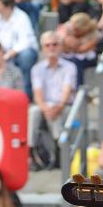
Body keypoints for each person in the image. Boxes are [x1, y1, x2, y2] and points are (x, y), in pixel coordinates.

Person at [28, 31, 78, 165]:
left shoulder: (70, 67)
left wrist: (57, 106)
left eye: (55, 44)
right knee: (33, 111)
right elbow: (37, 94)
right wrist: (46, 108)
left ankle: (59, 147)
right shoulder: (36, 69)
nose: (51, 48)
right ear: (43, 48)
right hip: (45, 106)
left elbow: (67, 91)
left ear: (60, 46)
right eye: (47, 45)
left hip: (64, 105)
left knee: (54, 110)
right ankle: (31, 150)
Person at [0, 0, 38, 96]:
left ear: (8, 7)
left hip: (18, 52)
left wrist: (7, 55)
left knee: (27, 56)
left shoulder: (22, 17)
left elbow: (25, 41)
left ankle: (25, 95)